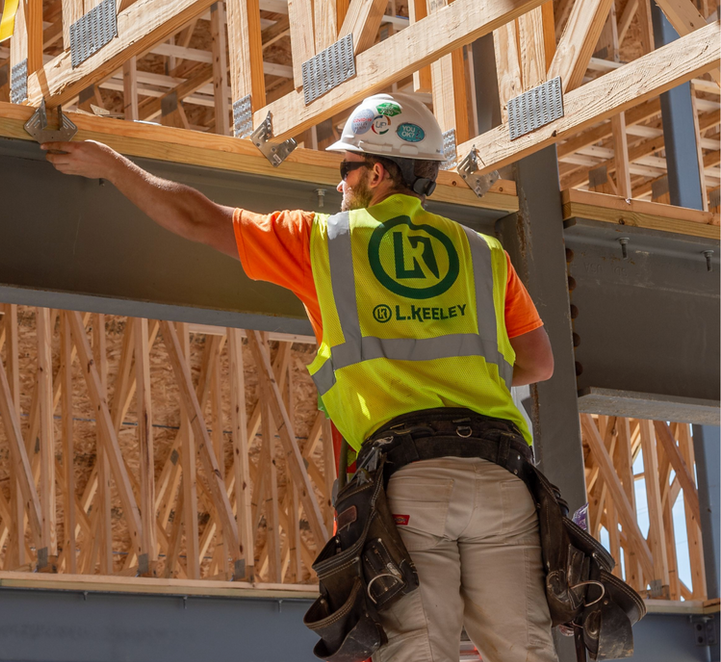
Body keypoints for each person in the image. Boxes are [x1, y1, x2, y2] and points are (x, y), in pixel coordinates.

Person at [42, 93, 558, 662]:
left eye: (347, 168)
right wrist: (450, 368)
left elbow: (197, 217)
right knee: (529, 651)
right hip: (504, 480)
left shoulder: (324, 242)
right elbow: (538, 364)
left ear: (378, 172)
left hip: (412, 481)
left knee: (416, 648)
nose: (340, 183)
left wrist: (111, 165)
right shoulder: (483, 253)